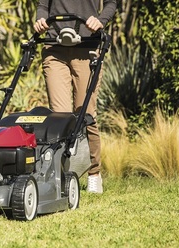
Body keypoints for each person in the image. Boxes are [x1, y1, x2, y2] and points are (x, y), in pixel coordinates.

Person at [34, 0, 117, 194]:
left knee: (85, 115)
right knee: (60, 118)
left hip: (87, 47)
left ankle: (94, 173)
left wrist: (100, 20)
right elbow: (43, 6)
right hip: (54, 48)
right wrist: (40, 20)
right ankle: (62, 175)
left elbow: (112, 3)